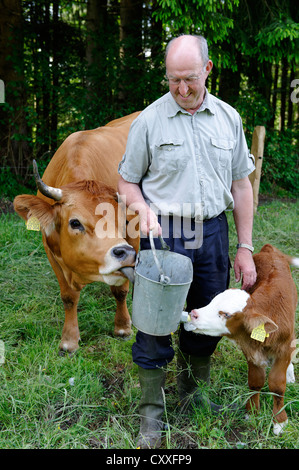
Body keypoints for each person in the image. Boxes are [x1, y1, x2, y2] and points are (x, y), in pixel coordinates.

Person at [118, 34, 257, 449]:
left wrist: (245, 246)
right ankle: (151, 415)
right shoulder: (149, 121)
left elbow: (242, 185)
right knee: (155, 322)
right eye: (173, 80)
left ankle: (194, 394)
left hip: (212, 231)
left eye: (190, 79)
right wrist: (140, 209)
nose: (181, 89)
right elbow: (127, 180)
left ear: (208, 70)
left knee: (205, 318)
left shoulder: (229, 118)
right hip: (165, 235)